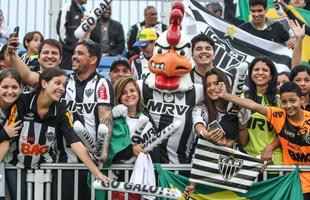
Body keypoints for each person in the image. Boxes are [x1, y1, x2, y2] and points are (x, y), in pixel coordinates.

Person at [4, 68, 109, 200]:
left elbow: (75, 141)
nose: (61, 88)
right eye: (57, 83)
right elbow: (7, 138)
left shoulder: (61, 110)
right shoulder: (22, 101)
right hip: (15, 165)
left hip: (43, 167)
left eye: (64, 85)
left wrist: (96, 172)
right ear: (44, 83)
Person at [217, 81, 310, 200]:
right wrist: (225, 95)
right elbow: (254, 105)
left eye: (293, 101)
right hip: (293, 182)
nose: (288, 106)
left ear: (302, 100)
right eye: (284, 102)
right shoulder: (279, 115)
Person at [101, 76, 157, 200]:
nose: (129, 95)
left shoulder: (147, 116)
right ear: (118, 97)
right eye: (123, 93)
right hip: (120, 182)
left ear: (138, 92)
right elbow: (111, 153)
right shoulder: (115, 121)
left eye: (132, 90)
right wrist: (131, 151)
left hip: (145, 180)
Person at [242, 56, 283, 165]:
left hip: (275, 163)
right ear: (250, 75)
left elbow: (286, 131)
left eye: (265, 70)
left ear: (271, 76)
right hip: (250, 162)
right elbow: (243, 141)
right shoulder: (242, 98)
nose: (260, 73)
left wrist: (270, 147)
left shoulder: (280, 100)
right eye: (256, 70)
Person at [192, 68, 240, 147]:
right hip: (202, 156)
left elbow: (244, 142)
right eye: (208, 85)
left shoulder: (236, 108)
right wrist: (206, 134)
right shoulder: (201, 109)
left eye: (216, 83)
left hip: (229, 157)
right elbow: (198, 125)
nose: (212, 88)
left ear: (225, 85)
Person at [0, 69, 22, 200]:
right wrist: (4, 133)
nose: (10, 91)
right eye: (5, 87)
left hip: (13, 165)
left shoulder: (22, 107)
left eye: (14, 87)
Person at [56, 0, 87, 70]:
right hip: (67, 53)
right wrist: (70, 44)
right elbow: (61, 29)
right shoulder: (67, 7)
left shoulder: (83, 10)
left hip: (78, 50)